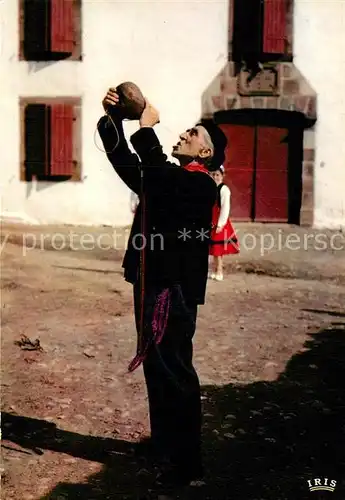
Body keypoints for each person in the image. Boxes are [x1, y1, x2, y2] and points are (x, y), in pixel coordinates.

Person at [97, 87, 227, 488]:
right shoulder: (169, 176)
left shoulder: (202, 183)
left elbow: (157, 174)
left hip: (172, 290)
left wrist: (145, 126)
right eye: (186, 129)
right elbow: (127, 165)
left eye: (194, 133)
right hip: (151, 282)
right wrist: (116, 120)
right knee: (157, 366)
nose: (185, 133)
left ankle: (188, 465)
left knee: (174, 369)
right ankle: (165, 446)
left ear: (205, 155)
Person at [209, 166, 239, 281]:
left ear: (222, 176)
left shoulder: (224, 189)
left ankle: (219, 270)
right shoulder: (211, 187)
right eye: (213, 175)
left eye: (217, 175)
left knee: (218, 249)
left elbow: (225, 207)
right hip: (212, 221)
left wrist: (220, 224)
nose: (215, 177)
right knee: (214, 249)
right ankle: (214, 269)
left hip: (220, 222)